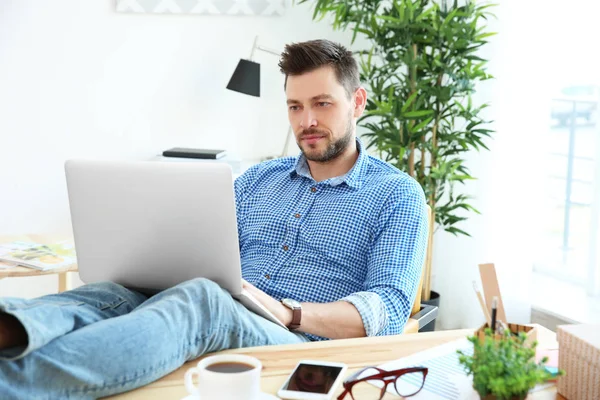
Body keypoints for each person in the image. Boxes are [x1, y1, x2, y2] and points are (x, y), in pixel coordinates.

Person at [0, 39, 428, 399]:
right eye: (295, 107)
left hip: (295, 340)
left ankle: (13, 385)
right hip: (226, 304)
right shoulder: (258, 179)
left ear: (357, 102)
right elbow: (201, 250)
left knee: (203, 300)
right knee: (109, 292)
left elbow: (386, 310)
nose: (307, 121)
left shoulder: (396, 194)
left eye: (322, 104)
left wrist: (288, 312)